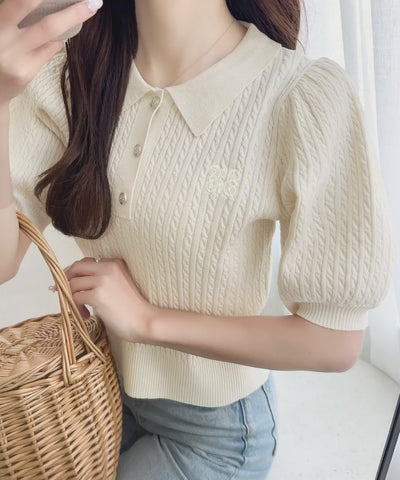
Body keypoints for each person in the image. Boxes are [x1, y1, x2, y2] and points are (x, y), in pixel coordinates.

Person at [0, 0, 397, 478]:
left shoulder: (300, 96)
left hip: (215, 435)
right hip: (99, 389)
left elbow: (335, 341)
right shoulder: (69, 73)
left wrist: (148, 321)